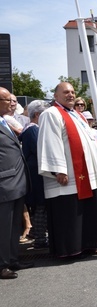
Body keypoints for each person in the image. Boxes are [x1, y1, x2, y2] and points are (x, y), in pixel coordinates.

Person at [38, 82, 97, 257]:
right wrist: (58, 170)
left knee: (86, 212)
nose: (70, 95)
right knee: (70, 214)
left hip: (87, 174)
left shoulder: (76, 115)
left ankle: (86, 244)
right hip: (69, 175)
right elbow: (50, 142)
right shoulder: (51, 114)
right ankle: (70, 249)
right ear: (56, 96)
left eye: (72, 92)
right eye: (65, 92)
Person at [0, 86, 31, 279]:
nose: (12, 103)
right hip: (4, 183)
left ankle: (12, 259)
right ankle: (2, 264)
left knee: (13, 227)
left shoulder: (5, 122)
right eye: (6, 100)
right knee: (4, 226)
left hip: (16, 183)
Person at [19, 100, 50, 249]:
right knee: (40, 206)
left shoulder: (30, 129)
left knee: (40, 206)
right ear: (37, 115)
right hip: (36, 174)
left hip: (35, 172)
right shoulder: (33, 130)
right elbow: (40, 150)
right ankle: (40, 239)